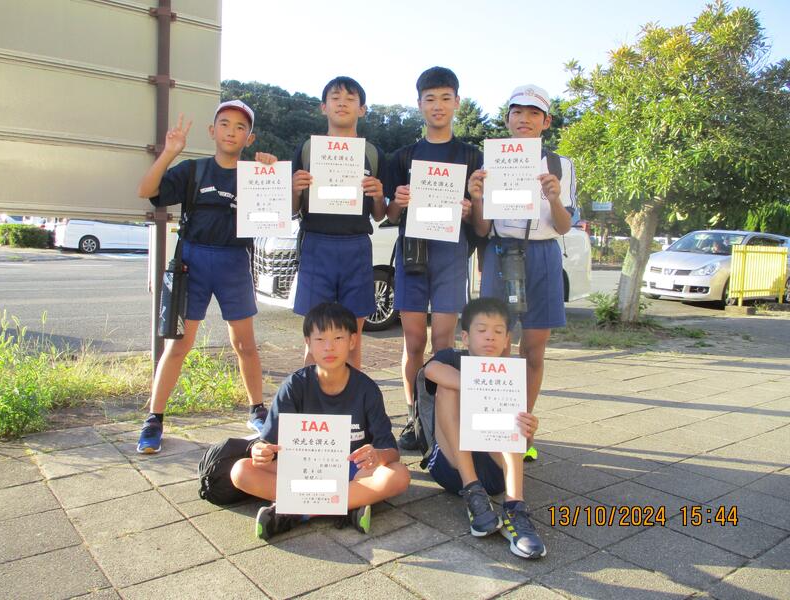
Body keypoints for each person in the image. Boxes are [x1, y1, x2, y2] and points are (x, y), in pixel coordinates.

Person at [135, 100, 277, 453]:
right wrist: (170, 151)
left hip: (235, 262)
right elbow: (146, 191)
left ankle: (257, 410)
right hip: (193, 261)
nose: (232, 131)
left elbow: (277, 216)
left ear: (249, 138)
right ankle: (154, 418)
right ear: (212, 131)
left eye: (241, 127)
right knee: (179, 344)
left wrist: (272, 174)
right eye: (224, 124)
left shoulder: (256, 174)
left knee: (245, 344)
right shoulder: (192, 170)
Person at [230, 302, 410, 540]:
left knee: (398, 475)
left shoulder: (366, 389)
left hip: (352, 471)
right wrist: (260, 451)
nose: (329, 347)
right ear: (308, 343)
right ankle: (348, 506)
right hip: (303, 470)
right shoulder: (294, 386)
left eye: (338, 338)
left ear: (352, 341)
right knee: (241, 471)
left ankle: (296, 510)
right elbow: (266, 443)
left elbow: (391, 452)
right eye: (320, 339)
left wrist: (377, 455)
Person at [469, 85, 577, 462]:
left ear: (546, 121)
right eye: (518, 112)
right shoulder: (491, 160)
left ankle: (521, 431)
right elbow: (481, 229)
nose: (524, 119)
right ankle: (489, 429)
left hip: (543, 253)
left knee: (533, 348)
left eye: (534, 113)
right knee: (494, 345)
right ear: (507, 119)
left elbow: (563, 226)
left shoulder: (561, 165)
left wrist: (554, 198)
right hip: (500, 251)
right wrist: (477, 197)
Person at [385, 66, 483, 450]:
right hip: (412, 255)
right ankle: (414, 419)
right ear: (419, 104)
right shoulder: (403, 156)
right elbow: (388, 214)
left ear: (457, 102)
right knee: (412, 342)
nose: (438, 105)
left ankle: (441, 420)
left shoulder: (472, 156)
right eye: (430, 99)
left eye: (445, 98)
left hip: (451, 255)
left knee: (443, 342)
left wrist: (470, 209)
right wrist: (398, 202)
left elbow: (481, 223)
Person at [423, 297, 543, 558]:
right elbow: (430, 370)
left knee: (511, 412)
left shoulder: (509, 373)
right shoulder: (452, 358)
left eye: (498, 331)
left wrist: (529, 431)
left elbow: (523, 445)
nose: (490, 337)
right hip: (452, 468)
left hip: (494, 472)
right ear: (465, 337)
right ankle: (473, 493)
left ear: (507, 339)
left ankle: (515, 507)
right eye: (482, 330)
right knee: (447, 388)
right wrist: (479, 383)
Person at [291, 76, 387, 369]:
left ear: (362, 109)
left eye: (350, 98)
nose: (342, 103)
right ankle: (310, 397)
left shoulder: (372, 154)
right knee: (315, 337)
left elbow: (379, 215)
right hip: (316, 244)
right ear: (323, 107)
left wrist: (379, 194)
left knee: (352, 339)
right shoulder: (308, 149)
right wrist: (294, 189)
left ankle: (351, 399)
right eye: (335, 98)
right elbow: (293, 210)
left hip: (356, 246)